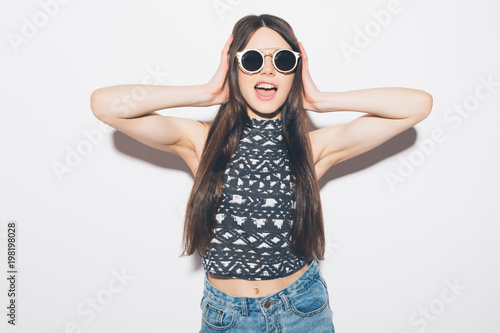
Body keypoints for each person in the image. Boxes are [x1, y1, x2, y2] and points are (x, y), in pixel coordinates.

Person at [90, 13, 432, 333]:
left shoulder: (313, 148)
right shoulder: (201, 140)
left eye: (282, 61)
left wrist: (319, 100)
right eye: (253, 60)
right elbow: (104, 105)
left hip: (302, 311)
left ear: (294, 72)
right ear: (234, 68)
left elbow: (418, 105)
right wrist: (206, 93)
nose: (267, 72)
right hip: (225, 317)